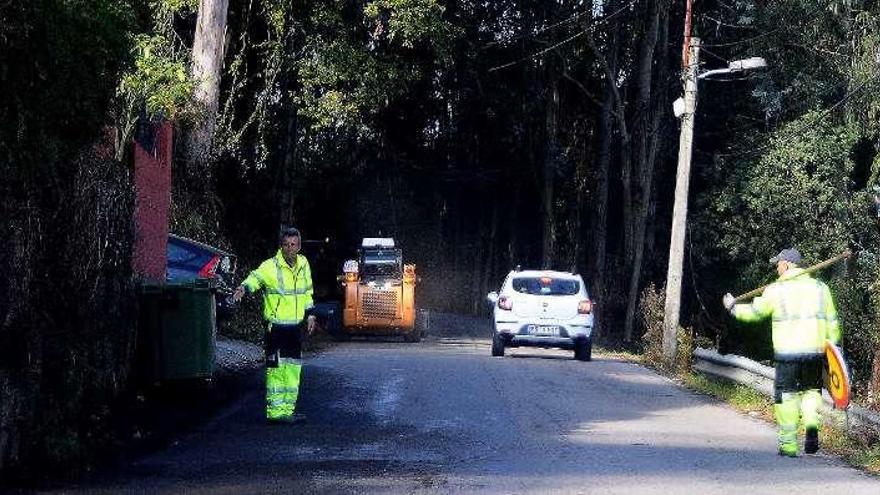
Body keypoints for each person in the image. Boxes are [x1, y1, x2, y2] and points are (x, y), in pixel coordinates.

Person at [723, 248, 841, 457]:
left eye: (778, 264)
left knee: (786, 397)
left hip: (787, 353)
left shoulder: (776, 289)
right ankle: (812, 426)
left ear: (786, 264)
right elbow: (832, 323)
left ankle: (788, 445)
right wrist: (834, 351)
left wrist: (733, 308)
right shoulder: (822, 289)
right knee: (811, 392)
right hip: (815, 351)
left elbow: (754, 312)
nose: (776, 267)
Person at [233, 227, 316, 423]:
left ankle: (288, 411)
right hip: (276, 328)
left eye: (294, 244)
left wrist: (310, 314)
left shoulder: (303, 263)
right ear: (281, 246)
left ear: (299, 245)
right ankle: (276, 412)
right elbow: (255, 277)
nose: (290, 248)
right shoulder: (271, 266)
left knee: (293, 369)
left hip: (295, 328)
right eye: (286, 244)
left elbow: (307, 291)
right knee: (276, 370)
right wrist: (243, 288)